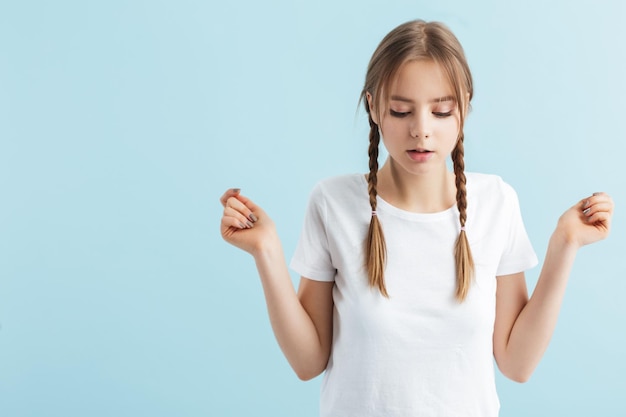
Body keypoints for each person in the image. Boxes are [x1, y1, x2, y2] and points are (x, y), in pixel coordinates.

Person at [219, 20, 613, 417]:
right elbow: (308, 363)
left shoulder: (497, 202)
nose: (421, 130)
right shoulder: (332, 203)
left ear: (464, 106)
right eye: (401, 110)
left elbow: (517, 363)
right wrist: (265, 251)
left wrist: (566, 243)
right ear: (373, 106)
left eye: (441, 111)